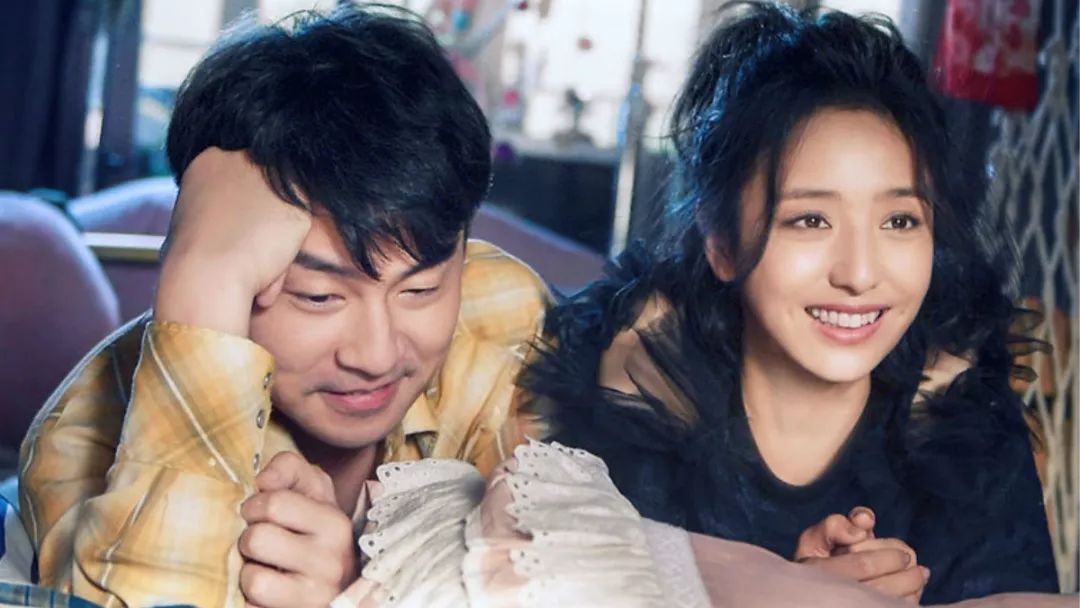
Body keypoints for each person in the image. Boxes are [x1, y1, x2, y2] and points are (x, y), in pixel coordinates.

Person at [518, 1, 1060, 604]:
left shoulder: (962, 419)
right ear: (722, 244)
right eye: (810, 220)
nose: (859, 275)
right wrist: (778, 590)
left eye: (900, 220)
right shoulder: (641, 391)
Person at [15, 5, 549, 607]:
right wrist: (203, 282)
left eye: (420, 290)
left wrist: (362, 591)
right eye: (319, 296)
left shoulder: (502, 316)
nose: (375, 356)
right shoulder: (85, 430)